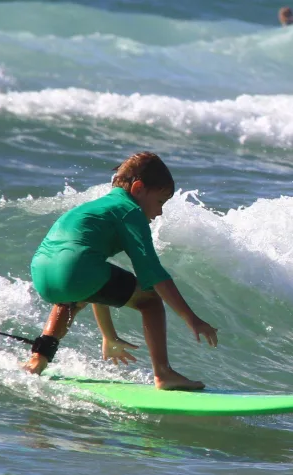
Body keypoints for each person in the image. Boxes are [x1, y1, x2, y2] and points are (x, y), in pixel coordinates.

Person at [24, 152, 219, 390]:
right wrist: (193, 319)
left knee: (72, 298)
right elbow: (153, 272)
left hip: (42, 271)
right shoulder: (129, 210)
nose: (159, 213)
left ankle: (38, 358)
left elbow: (95, 284)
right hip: (79, 271)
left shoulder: (96, 207)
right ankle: (163, 373)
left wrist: (108, 335)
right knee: (150, 300)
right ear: (138, 189)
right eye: (160, 202)